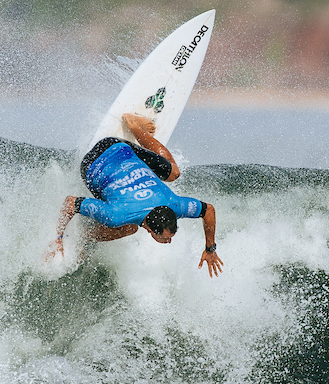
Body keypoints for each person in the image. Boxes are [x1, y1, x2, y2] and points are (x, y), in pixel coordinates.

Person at [51, 113, 223, 276]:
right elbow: (70, 203)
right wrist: (58, 238)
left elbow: (208, 210)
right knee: (128, 228)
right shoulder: (116, 215)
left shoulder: (175, 204)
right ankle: (133, 124)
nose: (168, 241)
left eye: (169, 237)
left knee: (173, 174)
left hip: (122, 150)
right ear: (149, 229)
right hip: (95, 161)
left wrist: (210, 249)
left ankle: (136, 130)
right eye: (164, 238)